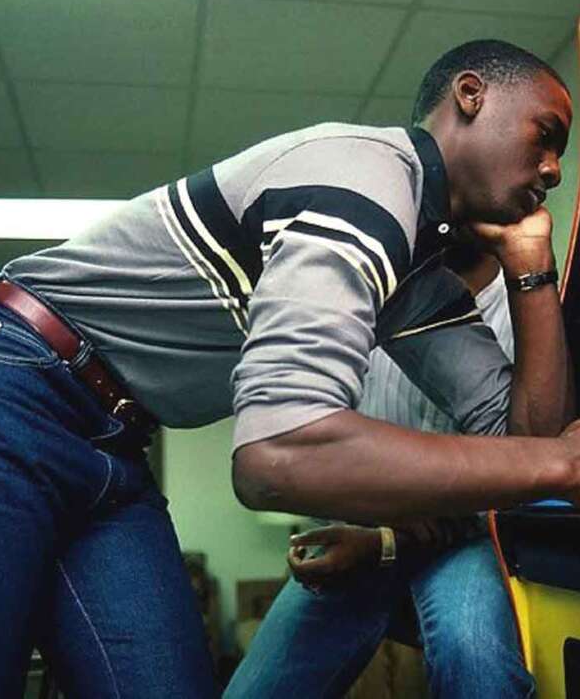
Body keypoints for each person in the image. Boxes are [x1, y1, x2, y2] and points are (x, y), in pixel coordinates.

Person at [0, 39, 580, 698]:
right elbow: (277, 455)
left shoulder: (414, 265)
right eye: (547, 137)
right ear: (471, 96)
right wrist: (571, 462)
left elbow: (523, 439)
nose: (552, 170)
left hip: (111, 442)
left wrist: (530, 268)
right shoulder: (362, 179)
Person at [224, 238, 534, 698]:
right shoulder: (363, 293)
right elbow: (309, 445)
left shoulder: (523, 315)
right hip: (357, 529)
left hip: (467, 544)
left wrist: (385, 543)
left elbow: (526, 470)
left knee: (474, 659)